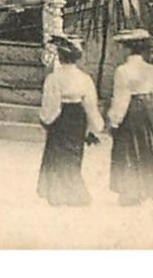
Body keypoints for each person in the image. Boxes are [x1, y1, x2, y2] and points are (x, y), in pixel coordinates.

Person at [107, 28, 153, 206]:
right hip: (148, 110)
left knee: (129, 149)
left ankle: (131, 193)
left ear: (128, 49)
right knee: (152, 148)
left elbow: (121, 97)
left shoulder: (122, 70)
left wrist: (115, 120)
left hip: (131, 111)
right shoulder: (152, 70)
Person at [37, 35, 106, 207]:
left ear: (60, 56)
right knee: (74, 155)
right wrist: (94, 128)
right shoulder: (85, 78)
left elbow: (51, 103)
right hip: (78, 117)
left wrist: (46, 119)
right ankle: (74, 194)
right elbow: (90, 105)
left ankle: (57, 194)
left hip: (61, 117)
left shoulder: (54, 78)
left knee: (57, 154)